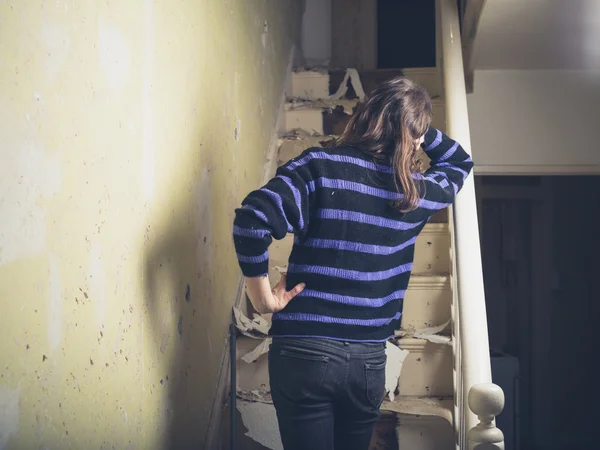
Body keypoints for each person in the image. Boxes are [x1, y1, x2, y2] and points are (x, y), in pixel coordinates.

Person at [232, 76, 473, 450]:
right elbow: (460, 162)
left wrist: (263, 300)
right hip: (368, 360)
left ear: (365, 116)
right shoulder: (414, 191)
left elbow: (252, 220)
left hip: (304, 351)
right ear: (411, 132)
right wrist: (417, 130)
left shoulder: (319, 166)